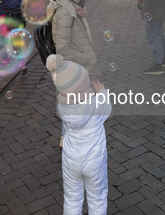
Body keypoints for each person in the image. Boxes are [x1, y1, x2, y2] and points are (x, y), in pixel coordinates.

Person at [46, 54, 111, 215]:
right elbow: (107, 108)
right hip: (94, 162)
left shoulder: (63, 108)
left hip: (71, 161)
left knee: (72, 198)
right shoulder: (96, 106)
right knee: (97, 198)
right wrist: (102, 91)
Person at [46, 0, 99, 79]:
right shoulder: (66, 13)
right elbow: (62, 50)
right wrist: (86, 59)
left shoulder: (74, 9)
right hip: (79, 72)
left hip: (81, 70)